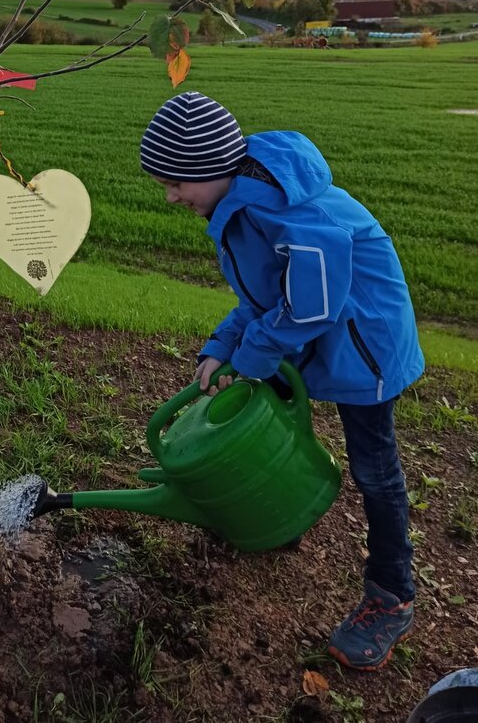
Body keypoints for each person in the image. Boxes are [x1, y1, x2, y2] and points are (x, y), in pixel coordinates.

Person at [140, 90, 424, 671]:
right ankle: (278, 510)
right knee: (270, 424)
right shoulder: (244, 206)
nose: (170, 195)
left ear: (212, 166)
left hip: (364, 346)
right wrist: (224, 347)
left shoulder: (288, 212)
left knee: (375, 469)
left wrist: (252, 357)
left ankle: (391, 596)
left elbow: (311, 307)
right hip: (319, 338)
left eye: (176, 182)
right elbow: (265, 297)